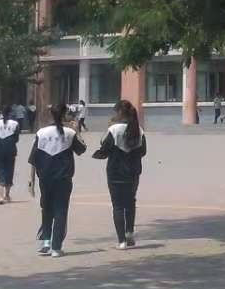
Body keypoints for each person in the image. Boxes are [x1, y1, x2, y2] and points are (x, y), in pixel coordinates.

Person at [29, 106, 85, 257]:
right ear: (64, 115)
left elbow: (34, 158)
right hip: (63, 178)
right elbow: (81, 149)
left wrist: (31, 179)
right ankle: (56, 247)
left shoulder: (41, 133)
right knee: (61, 210)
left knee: (46, 209)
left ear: (50, 115)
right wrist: (77, 131)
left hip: (45, 178)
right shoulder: (69, 133)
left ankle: (46, 243)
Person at [92, 100, 147, 250]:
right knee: (130, 202)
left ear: (120, 113)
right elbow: (143, 151)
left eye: (115, 112)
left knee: (117, 206)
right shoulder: (139, 129)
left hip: (115, 172)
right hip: (133, 172)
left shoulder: (114, 129)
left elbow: (104, 147)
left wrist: (98, 154)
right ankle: (129, 233)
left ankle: (121, 241)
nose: (114, 115)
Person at [0, 106, 21, 204]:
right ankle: (7, 195)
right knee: (9, 171)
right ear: (10, 113)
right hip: (10, 150)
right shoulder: (15, 124)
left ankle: (0, 197)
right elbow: (16, 139)